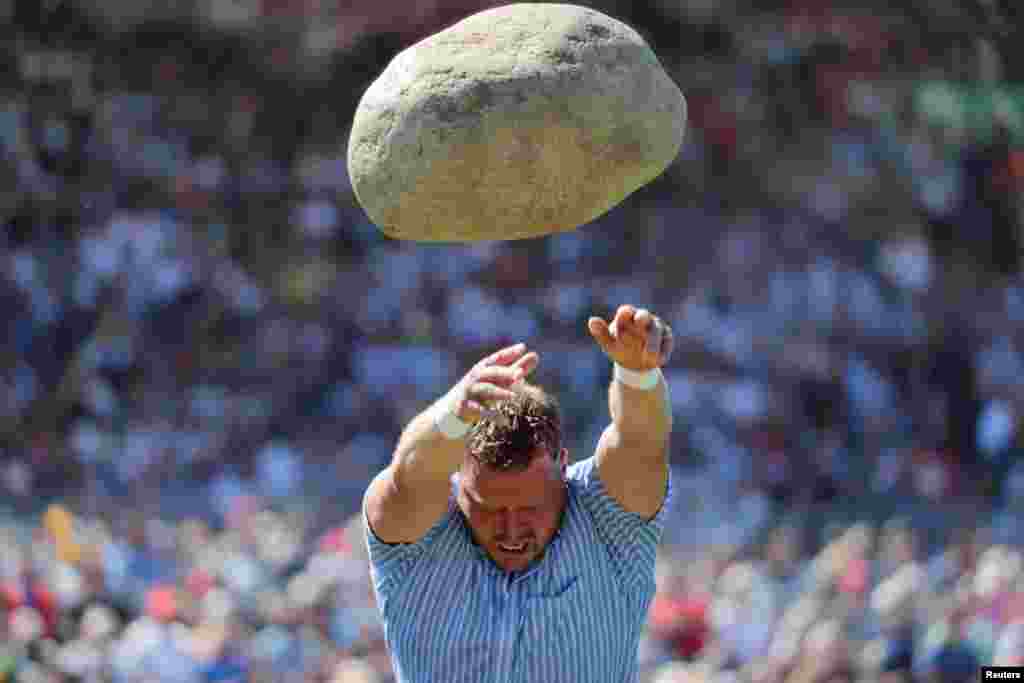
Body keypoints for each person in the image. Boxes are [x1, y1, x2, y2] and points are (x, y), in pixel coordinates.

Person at [363, 304, 676, 682]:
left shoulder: (606, 521)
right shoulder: (420, 535)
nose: (511, 530)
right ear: (459, 475)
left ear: (563, 465)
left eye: (531, 507)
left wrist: (638, 378)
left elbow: (640, 443)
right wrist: (451, 414)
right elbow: (408, 476)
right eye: (488, 508)